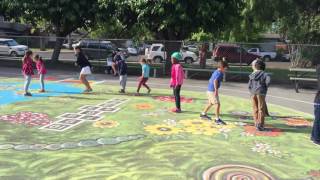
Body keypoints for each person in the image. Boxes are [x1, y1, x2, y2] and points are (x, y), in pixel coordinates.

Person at [200, 59, 229, 125]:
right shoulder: (219, 73)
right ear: (222, 68)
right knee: (217, 104)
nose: (226, 70)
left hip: (209, 90)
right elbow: (215, 81)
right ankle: (217, 119)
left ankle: (203, 114)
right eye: (225, 68)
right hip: (212, 91)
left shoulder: (216, 71)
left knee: (211, 103)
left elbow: (210, 79)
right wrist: (216, 90)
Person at [248, 59, 271, 131]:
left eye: (253, 65)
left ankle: (256, 123)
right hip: (261, 92)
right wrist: (264, 87)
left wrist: (251, 91)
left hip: (253, 93)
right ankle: (260, 125)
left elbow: (249, 85)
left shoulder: (252, 74)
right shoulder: (264, 74)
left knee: (255, 108)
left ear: (257, 66)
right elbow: (268, 81)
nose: (252, 66)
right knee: (261, 108)